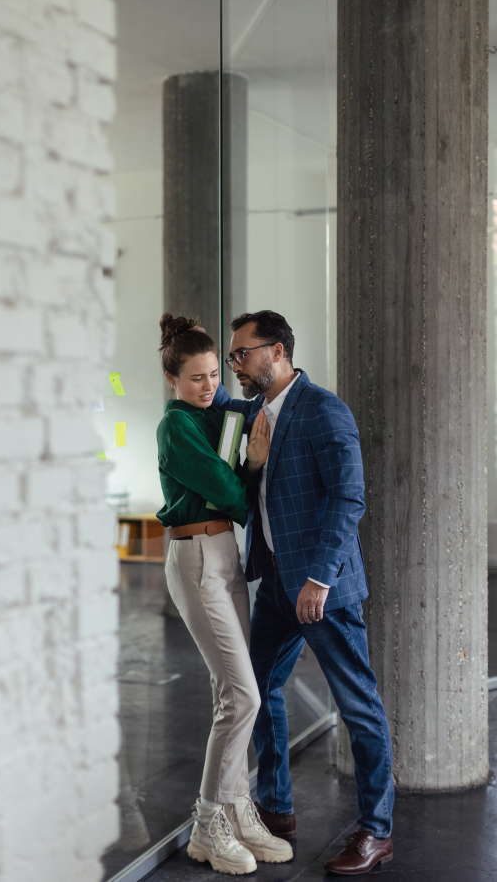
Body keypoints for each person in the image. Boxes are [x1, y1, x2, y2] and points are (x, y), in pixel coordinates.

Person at [210, 310, 394, 877]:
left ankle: (377, 832)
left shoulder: (324, 410)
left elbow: (348, 499)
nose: (237, 365)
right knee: (256, 687)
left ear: (279, 351)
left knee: (358, 707)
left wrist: (319, 578)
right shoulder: (254, 413)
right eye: (233, 356)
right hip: (275, 586)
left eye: (243, 353)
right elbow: (215, 416)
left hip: (322, 589)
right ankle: (279, 807)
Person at [156, 313, 293, 875]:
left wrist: (242, 465)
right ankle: (207, 821)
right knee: (246, 696)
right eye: (195, 378)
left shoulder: (217, 415)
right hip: (194, 559)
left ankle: (236, 808)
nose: (209, 386)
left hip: (224, 555)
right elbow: (230, 491)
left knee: (229, 693)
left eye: (214, 374)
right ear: (173, 381)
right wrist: (251, 466)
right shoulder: (177, 427)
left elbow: (253, 425)